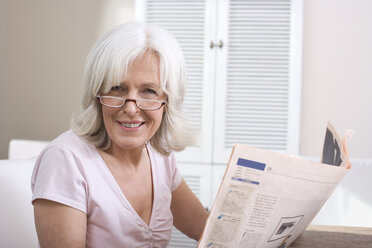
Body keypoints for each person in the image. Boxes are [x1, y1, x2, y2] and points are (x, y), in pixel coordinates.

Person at [31, 22, 209, 247]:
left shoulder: (160, 156)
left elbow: (206, 229)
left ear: (167, 102)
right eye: (117, 88)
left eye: (149, 91)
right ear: (97, 94)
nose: (131, 108)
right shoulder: (65, 160)